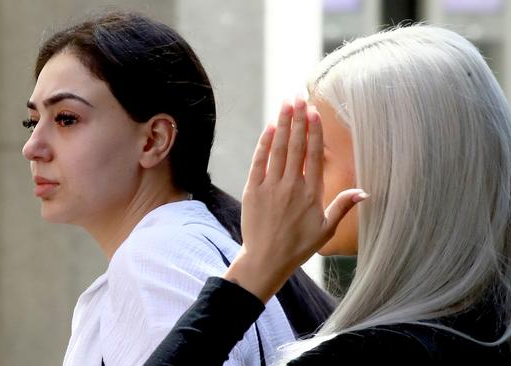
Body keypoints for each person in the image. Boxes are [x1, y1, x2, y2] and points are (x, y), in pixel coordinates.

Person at [145, 25, 511, 365]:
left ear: (400, 172)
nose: (299, 174)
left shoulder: (372, 354)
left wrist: (255, 268)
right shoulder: (498, 334)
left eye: (317, 154)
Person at [21, 12, 335, 366]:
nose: (32, 147)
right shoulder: (200, 244)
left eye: (66, 119)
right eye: (32, 122)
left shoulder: (158, 256)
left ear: (154, 139)